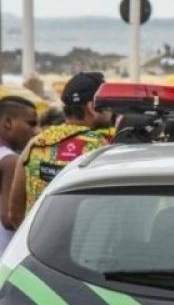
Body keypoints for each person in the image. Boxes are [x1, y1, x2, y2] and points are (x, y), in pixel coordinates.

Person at [7, 72, 114, 228]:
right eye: (108, 104)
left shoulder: (36, 144)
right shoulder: (101, 148)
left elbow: (15, 215)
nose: (111, 111)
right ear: (92, 108)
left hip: (38, 248)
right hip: (82, 249)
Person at [0, 97, 39, 243]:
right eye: (31, 124)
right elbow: (10, 219)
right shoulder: (10, 161)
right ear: (8, 123)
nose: (36, 131)